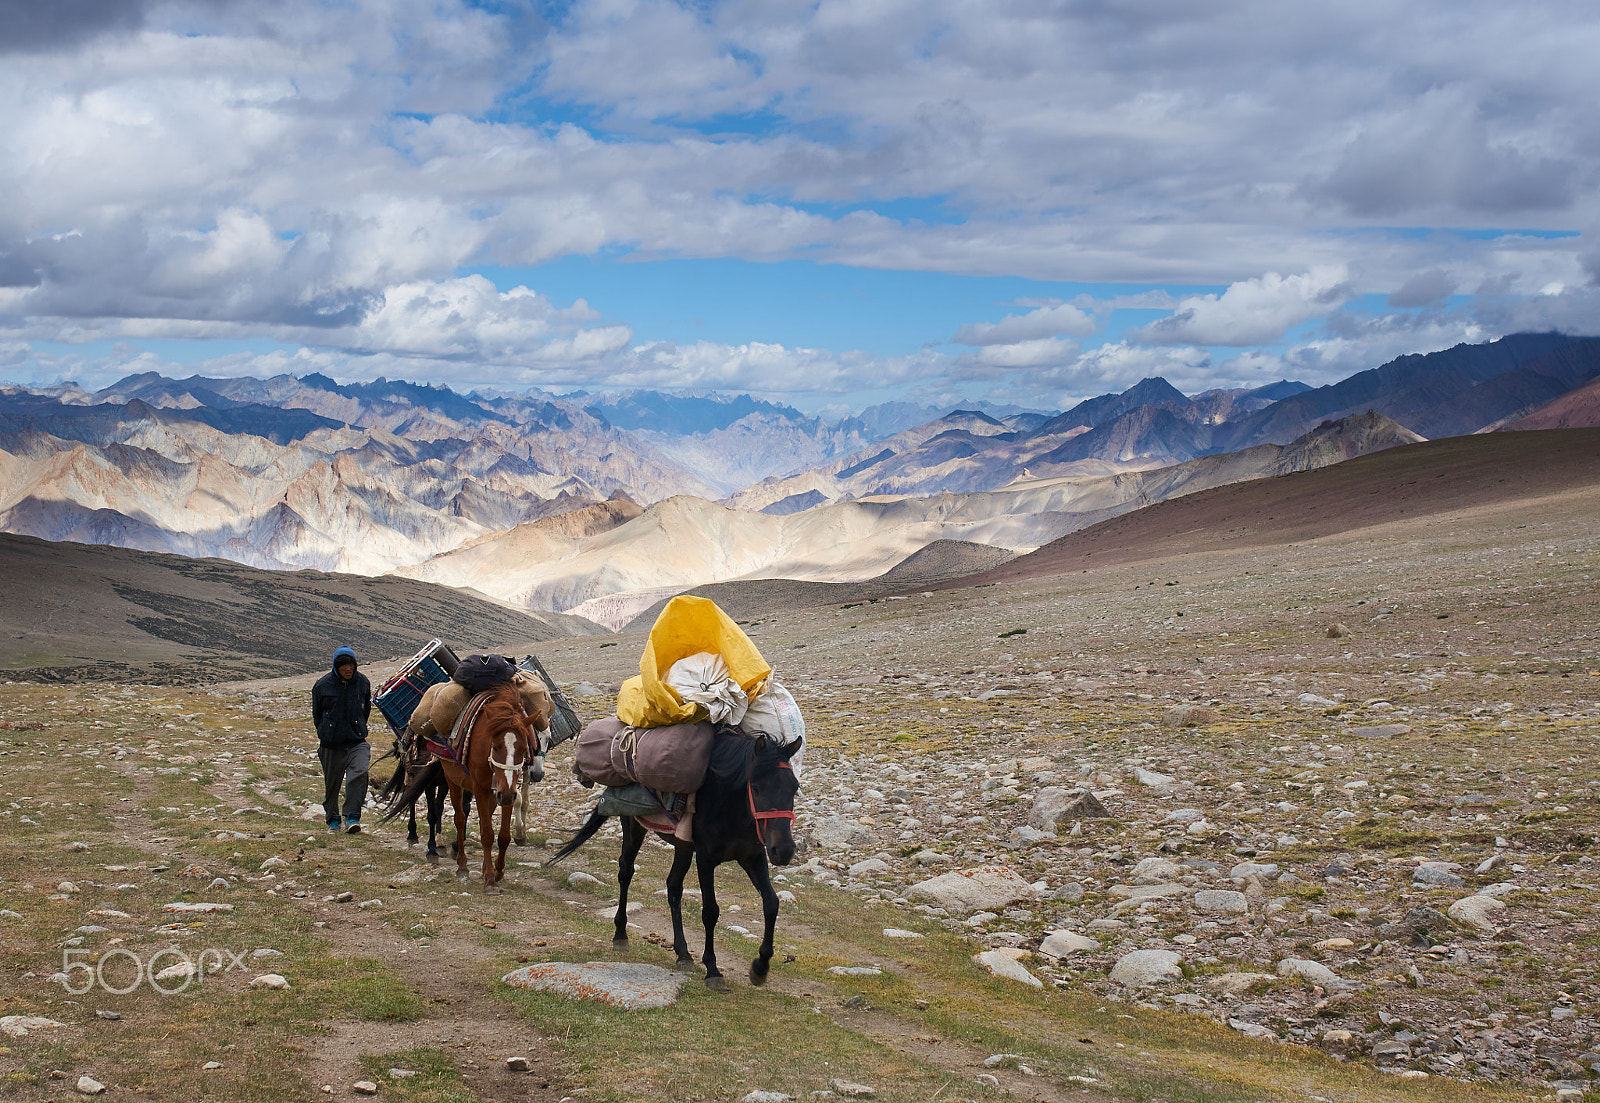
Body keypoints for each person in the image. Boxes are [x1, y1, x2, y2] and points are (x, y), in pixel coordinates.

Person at [312, 646, 372, 833]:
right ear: (335, 667)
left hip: (357, 742)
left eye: (351, 665)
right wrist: (327, 731)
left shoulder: (362, 682)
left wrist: (357, 727)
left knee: (360, 773)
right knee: (332, 784)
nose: (348, 669)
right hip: (331, 745)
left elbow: (366, 709)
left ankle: (352, 817)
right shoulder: (322, 686)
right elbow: (317, 715)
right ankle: (333, 820)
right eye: (343, 665)